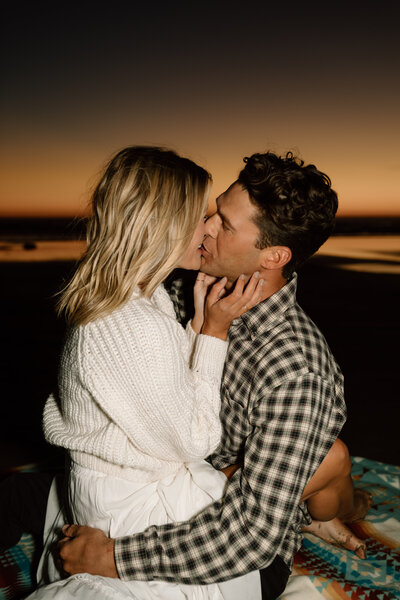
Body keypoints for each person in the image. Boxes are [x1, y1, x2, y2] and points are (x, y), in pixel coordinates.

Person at [54, 151, 371, 600]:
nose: (205, 227)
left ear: (274, 255)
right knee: (32, 494)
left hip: (236, 556)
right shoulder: (189, 286)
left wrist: (114, 557)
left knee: (329, 458)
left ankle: (333, 499)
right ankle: (329, 490)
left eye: (224, 223)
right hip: (181, 478)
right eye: (212, 211)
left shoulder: (297, 373)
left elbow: (250, 536)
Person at [26, 146, 265, 599]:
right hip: (129, 509)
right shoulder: (134, 324)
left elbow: (159, 389)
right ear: (164, 225)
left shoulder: (132, 294)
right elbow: (196, 441)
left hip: (101, 487)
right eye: (201, 216)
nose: (211, 227)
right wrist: (214, 334)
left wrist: (194, 328)